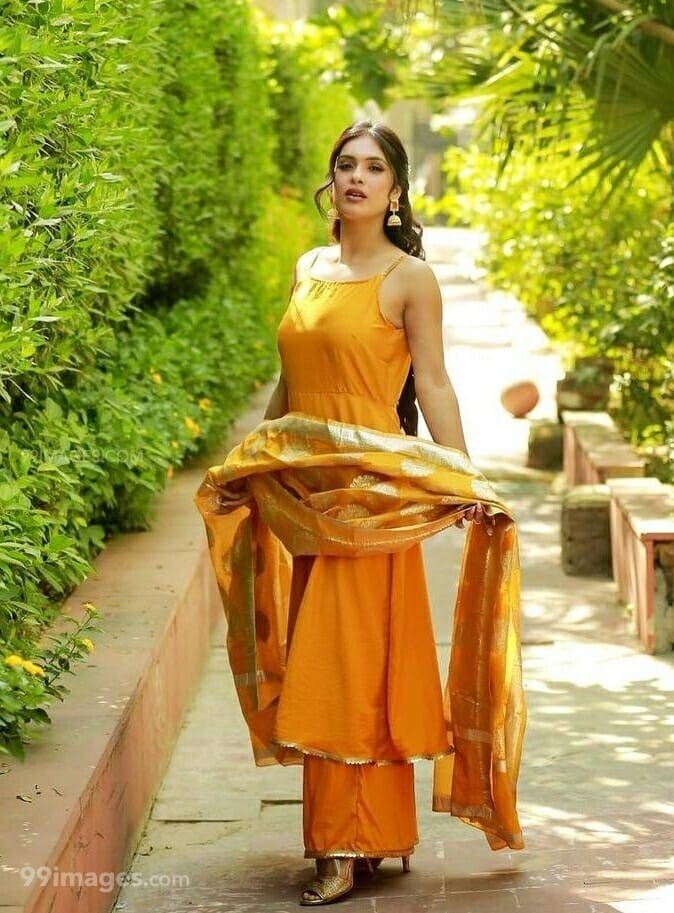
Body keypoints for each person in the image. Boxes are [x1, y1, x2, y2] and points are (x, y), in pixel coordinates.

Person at [194, 121, 525, 907]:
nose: (357, 177)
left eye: (375, 168)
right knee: (332, 661)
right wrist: (255, 459)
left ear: (395, 191)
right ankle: (367, 834)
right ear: (331, 180)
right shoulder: (308, 268)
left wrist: (460, 473)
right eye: (346, 164)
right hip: (310, 500)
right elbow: (291, 383)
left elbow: (433, 384)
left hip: (371, 499)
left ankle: (344, 845)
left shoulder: (411, 279)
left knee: (353, 664)